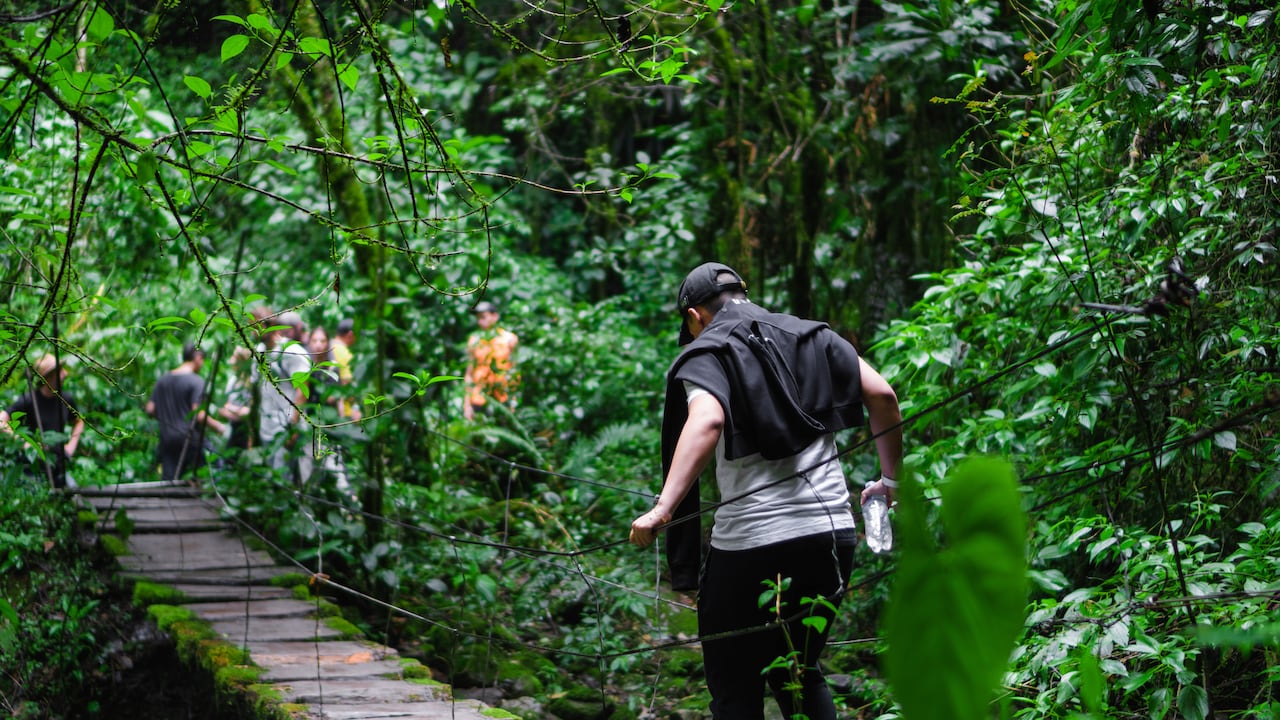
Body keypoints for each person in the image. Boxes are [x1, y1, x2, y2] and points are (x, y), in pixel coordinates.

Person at [629, 262, 904, 720]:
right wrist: (890, 481)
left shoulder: (709, 351)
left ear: (694, 316)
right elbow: (883, 395)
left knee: (735, 687)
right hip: (830, 537)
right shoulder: (812, 335)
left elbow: (707, 420)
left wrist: (663, 508)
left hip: (752, 547)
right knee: (799, 669)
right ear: (744, 294)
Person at [0, 354, 86, 489]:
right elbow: (1, 421)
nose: (65, 374)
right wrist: (25, 443)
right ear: (48, 378)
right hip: (32, 468)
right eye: (59, 372)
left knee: (73, 494)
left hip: (57, 466)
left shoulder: (65, 399)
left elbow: (79, 421)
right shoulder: (30, 400)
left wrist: (71, 446)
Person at [146, 342, 226, 482]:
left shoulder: (163, 380)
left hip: (167, 438)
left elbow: (150, 409)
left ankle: (168, 502)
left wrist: (168, 417)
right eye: (202, 359)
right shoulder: (195, 381)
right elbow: (198, 414)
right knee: (217, 466)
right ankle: (216, 499)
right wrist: (218, 426)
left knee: (170, 480)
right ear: (197, 357)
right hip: (189, 437)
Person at [254, 310, 312, 480]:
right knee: (271, 479)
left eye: (255, 326)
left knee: (283, 480)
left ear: (269, 327)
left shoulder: (290, 351)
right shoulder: (258, 352)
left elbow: (302, 389)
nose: (251, 332)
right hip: (267, 427)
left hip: (285, 426)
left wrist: (292, 427)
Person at [463, 301, 519, 421]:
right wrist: (467, 405)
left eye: (483, 317)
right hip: (479, 398)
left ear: (495, 316)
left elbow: (514, 372)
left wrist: (513, 400)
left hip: (502, 397)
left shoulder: (509, 339)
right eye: (478, 318)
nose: (480, 321)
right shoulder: (474, 341)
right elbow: (469, 374)